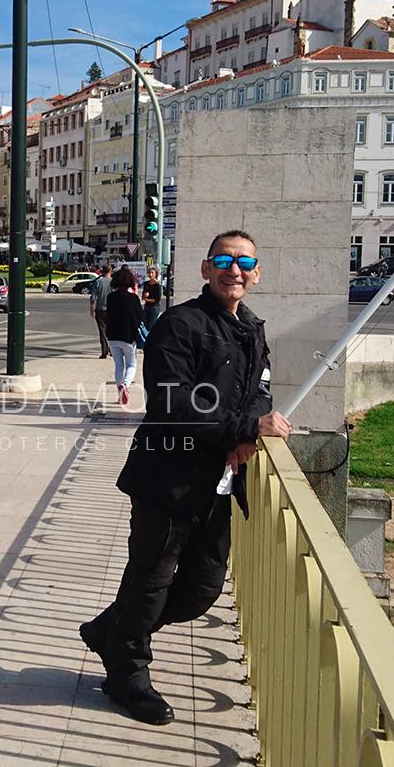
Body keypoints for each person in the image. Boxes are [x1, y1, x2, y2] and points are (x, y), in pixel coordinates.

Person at [81, 230, 292, 726]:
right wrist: (242, 427)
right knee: (150, 582)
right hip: (168, 480)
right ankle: (127, 675)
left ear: (256, 273)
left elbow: (260, 390)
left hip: (220, 482)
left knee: (201, 588)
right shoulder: (181, 325)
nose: (233, 269)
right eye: (223, 260)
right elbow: (174, 402)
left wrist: (250, 426)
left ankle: (112, 629)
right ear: (205, 269)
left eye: (243, 262)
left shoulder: (252, 328)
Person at [106, 267, 145, 405]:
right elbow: (140, 316)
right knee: (131, 365)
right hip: (128, 337)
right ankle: (126, 384)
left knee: (118, 365)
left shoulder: (110, 297)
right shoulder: (133, 298)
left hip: (112, 336)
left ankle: (119, 394)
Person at [88, 264, 113, 358]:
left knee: (102, 331)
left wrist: (91, 308)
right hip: (111, 309)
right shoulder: (113, 282)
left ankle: (104, 351)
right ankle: (111, 350)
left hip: (100, 309)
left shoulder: (98, 282)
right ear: (110, 271)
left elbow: (93, 296)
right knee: (111, 331)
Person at [141, 266, 163, 330]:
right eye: (149, 273)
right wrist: (145, 296)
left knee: (151, 326)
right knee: (145, 325)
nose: (150, 274)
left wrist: (146, 299)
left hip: (154, 308)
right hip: (146, 307)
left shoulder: (158, 285)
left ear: (156, 274)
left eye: (152, 273)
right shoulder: (146, 283)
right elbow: (143, 296)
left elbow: (157, 300)